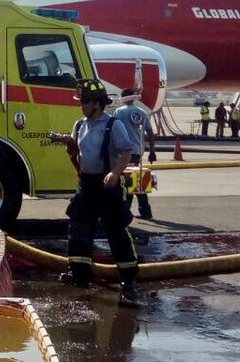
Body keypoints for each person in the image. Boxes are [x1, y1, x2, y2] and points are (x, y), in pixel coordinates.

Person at [58, 78, 142, 307]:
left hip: (107, 187)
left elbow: (125, 152)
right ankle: (79, 275)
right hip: (87, 185)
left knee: (117, 232)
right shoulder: (79, 125)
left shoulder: (113, 125)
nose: (80, 105)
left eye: (84, 101)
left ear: (97, 103)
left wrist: (115, 173)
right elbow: (76, 154)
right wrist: (69, 147)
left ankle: (128, 282)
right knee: (78, 230)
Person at [113, 88, 155, 221]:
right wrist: (152, 151)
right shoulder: (141, 112)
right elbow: (150, 132)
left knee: (127, 181)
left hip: (123, 152)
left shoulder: (119, 112)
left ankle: (125, 212)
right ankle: (144, 210)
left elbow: (113, 129)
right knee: (136, 179)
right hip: (137, 152)